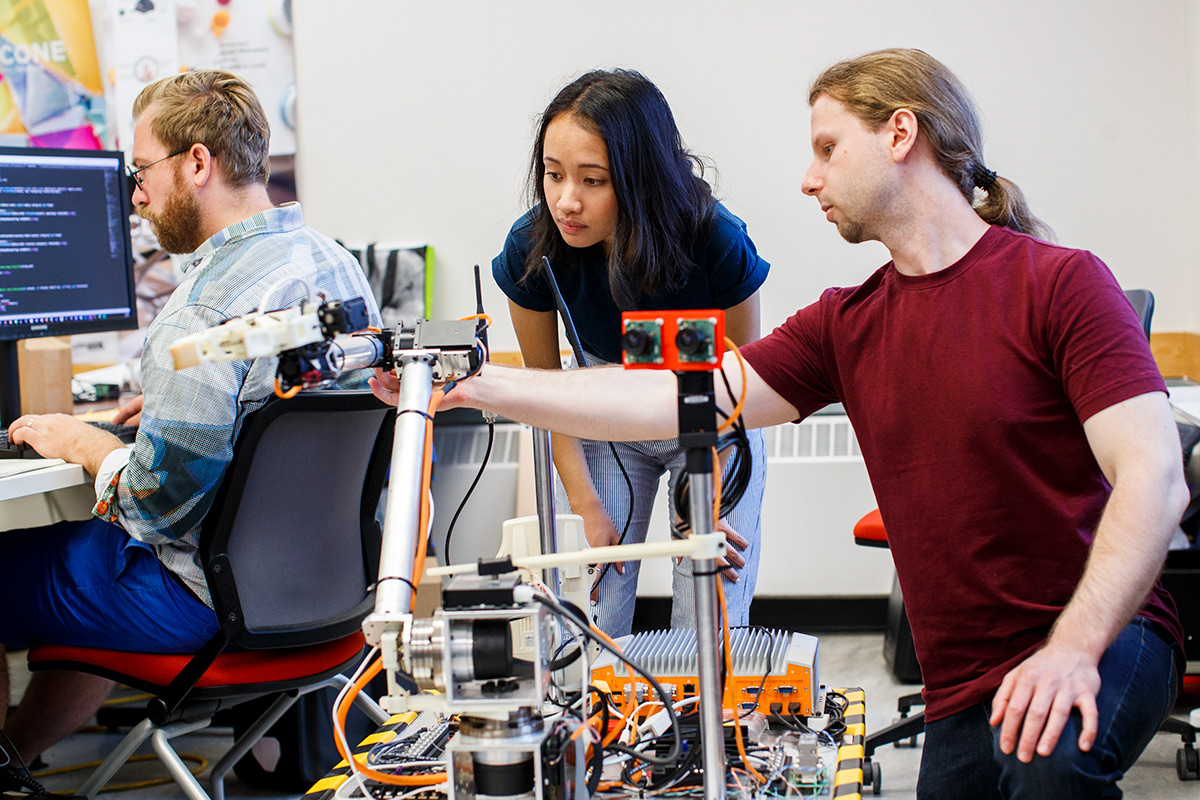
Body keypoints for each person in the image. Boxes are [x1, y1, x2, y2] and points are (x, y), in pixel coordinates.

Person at [374, 49, 1187, 797]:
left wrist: (1074, 648)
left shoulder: (1061, 285)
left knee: (1047, 769)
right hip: (965, 683)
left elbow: (1153, 477)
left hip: (1102, 634)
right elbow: (665, 398)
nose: (808, 177)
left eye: (827, 149)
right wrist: (477, 387)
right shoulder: (845, 325)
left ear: (900, 133)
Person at [0, 69, 380, 772]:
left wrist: (86, 444)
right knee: (90, 554)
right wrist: (193, 404)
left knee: (69, 551)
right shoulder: (337, 268)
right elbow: (290, 393)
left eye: (141, 171)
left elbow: (157, 509)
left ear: (197, 163)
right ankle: (16, 758)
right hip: (328, 593)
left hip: (206, 604)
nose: (137, 195)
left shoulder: (200, 313)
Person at [492, 68, 771, 636]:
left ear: (640, 177)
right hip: (601, 416)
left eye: (592, 180)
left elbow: (746, 377)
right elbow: (547, 393)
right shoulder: (532, 246)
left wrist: (708, 500)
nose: (566, 201)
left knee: (707, 620)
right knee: (589, 618)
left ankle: (697, 724)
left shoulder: (713, 237)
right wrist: (585, 506)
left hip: (708, 410)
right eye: (552, 175)